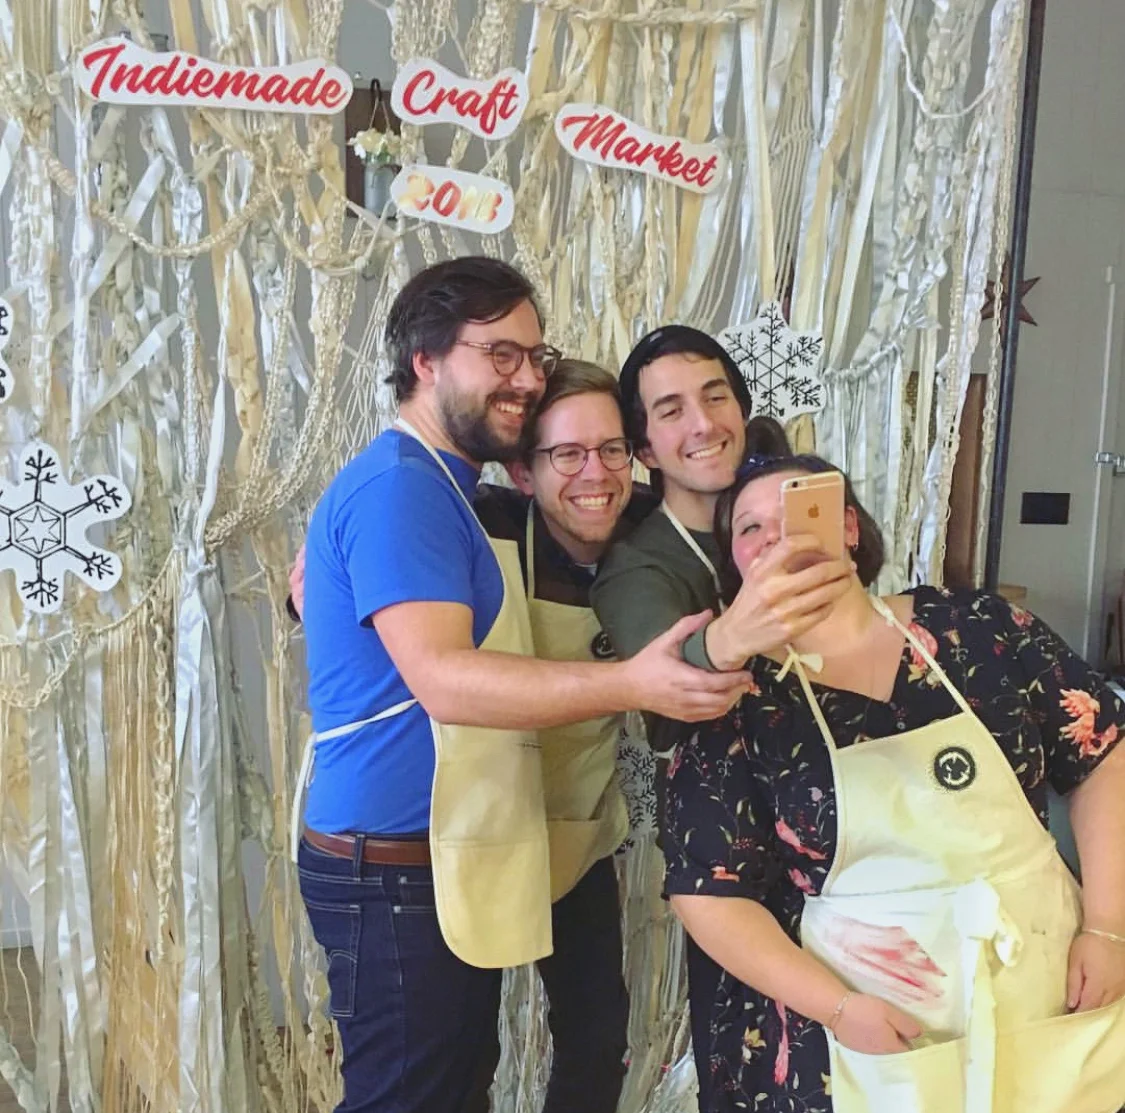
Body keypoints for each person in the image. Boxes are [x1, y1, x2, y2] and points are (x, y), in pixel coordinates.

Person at [295, 257, 749, 1113]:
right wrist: (633, 680)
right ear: (425, 360)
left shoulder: (441, 488)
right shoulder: (404, 489)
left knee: (457, 1084)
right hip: (393, 863)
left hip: (454, 849)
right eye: (498, 354)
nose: (524, 377)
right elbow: (445, 680)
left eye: (533, 356)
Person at [662, 452, 1125, 1113]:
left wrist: (1108, 928)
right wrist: (838, 1007)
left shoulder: (979, 629)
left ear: (848, 526)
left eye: (799, 511)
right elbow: (706, 892)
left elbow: (1102, 755)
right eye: (749, 527)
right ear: (735, 561)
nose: (775, 537)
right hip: (864, 1024)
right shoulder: (735, 697)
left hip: (1045, 982)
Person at [590, 325, 853, 757]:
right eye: (672, 412)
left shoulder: (797, 510)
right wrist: (732, 637)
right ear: (647, 451)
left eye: (715, 398)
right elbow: (666, 692)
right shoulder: (634, 569)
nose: (704, 425)